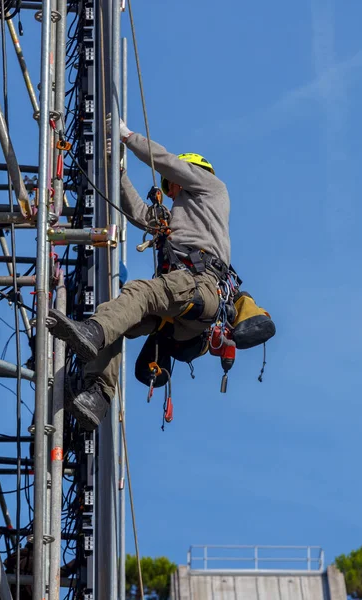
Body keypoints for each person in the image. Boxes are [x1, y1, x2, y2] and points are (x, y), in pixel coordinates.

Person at [47, 118, 231, 430]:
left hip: (199, 286)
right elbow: (140, 214)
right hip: (182, 310)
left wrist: (128, 136)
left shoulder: (211, 188)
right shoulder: (178, 220)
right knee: (119, 317)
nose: (169, 191)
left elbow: (168, 162)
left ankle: (93, 333)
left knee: (139, 293)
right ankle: (99, 395)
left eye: (171, 185)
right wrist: (117, 171)